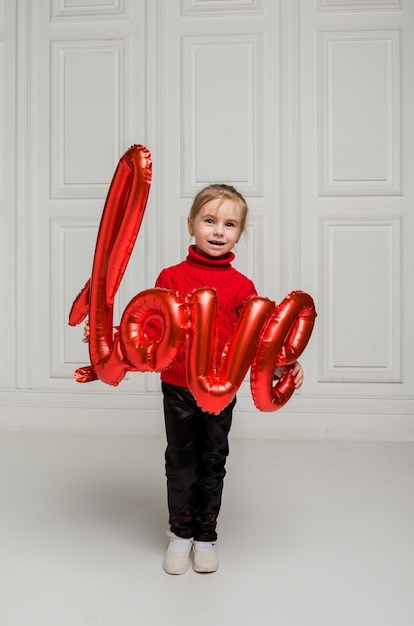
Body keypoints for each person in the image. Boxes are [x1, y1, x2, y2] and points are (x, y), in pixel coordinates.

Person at [84, 184, 304, 575]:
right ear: (192, 225)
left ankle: (206, 535)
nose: (219, 231)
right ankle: (180, 532)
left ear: (240, 232)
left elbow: (256, 341)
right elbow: (150, 327)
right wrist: (111, 335)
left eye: (230, 224)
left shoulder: (242, 287)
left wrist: (284, 366)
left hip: (221, 391)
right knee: (182, 460)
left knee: (213, 459)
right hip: (178, 387)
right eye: (210, 220)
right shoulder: (171, 277)